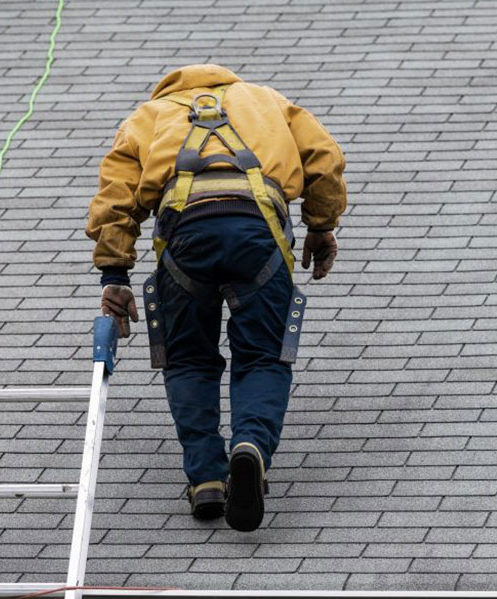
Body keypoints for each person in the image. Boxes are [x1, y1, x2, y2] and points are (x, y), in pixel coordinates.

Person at [86, 64, 346, 532]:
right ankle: (251, 447)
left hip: (186, 237)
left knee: (188, 359)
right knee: (263, 356)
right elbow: (323, 158)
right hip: (257, 233)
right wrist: (321, 226)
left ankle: (206, 476)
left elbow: (115, 196)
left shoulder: (151, 114)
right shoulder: (267, 101)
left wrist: (115, 272)